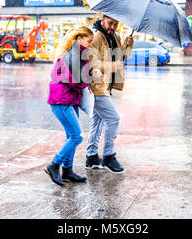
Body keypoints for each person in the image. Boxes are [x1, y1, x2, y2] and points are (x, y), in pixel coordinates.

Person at [45, 26, 101, 187]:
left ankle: (67, 171)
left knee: (71, 136)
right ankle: (54, 165)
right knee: (77, 136)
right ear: (79, 39)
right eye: (89, 41)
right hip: (61, 100)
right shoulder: (73, 55)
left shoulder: (78, 54)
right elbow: (75, 81)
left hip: (70, 99)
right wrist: (92, 77)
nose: (90, 44)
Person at [85, 15, 133, 174]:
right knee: (113, 119)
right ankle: (108, 156)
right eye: (110, 23)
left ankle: (91, 157)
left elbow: (122, 57)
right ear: (102, 19)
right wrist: (113, 66)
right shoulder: (96, 36)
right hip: (96, 86)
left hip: (107, 86)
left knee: (98, 122)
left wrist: (128, 46)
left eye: (116, 24)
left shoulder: (115, 36)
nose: (112, 26)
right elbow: (92, 63)